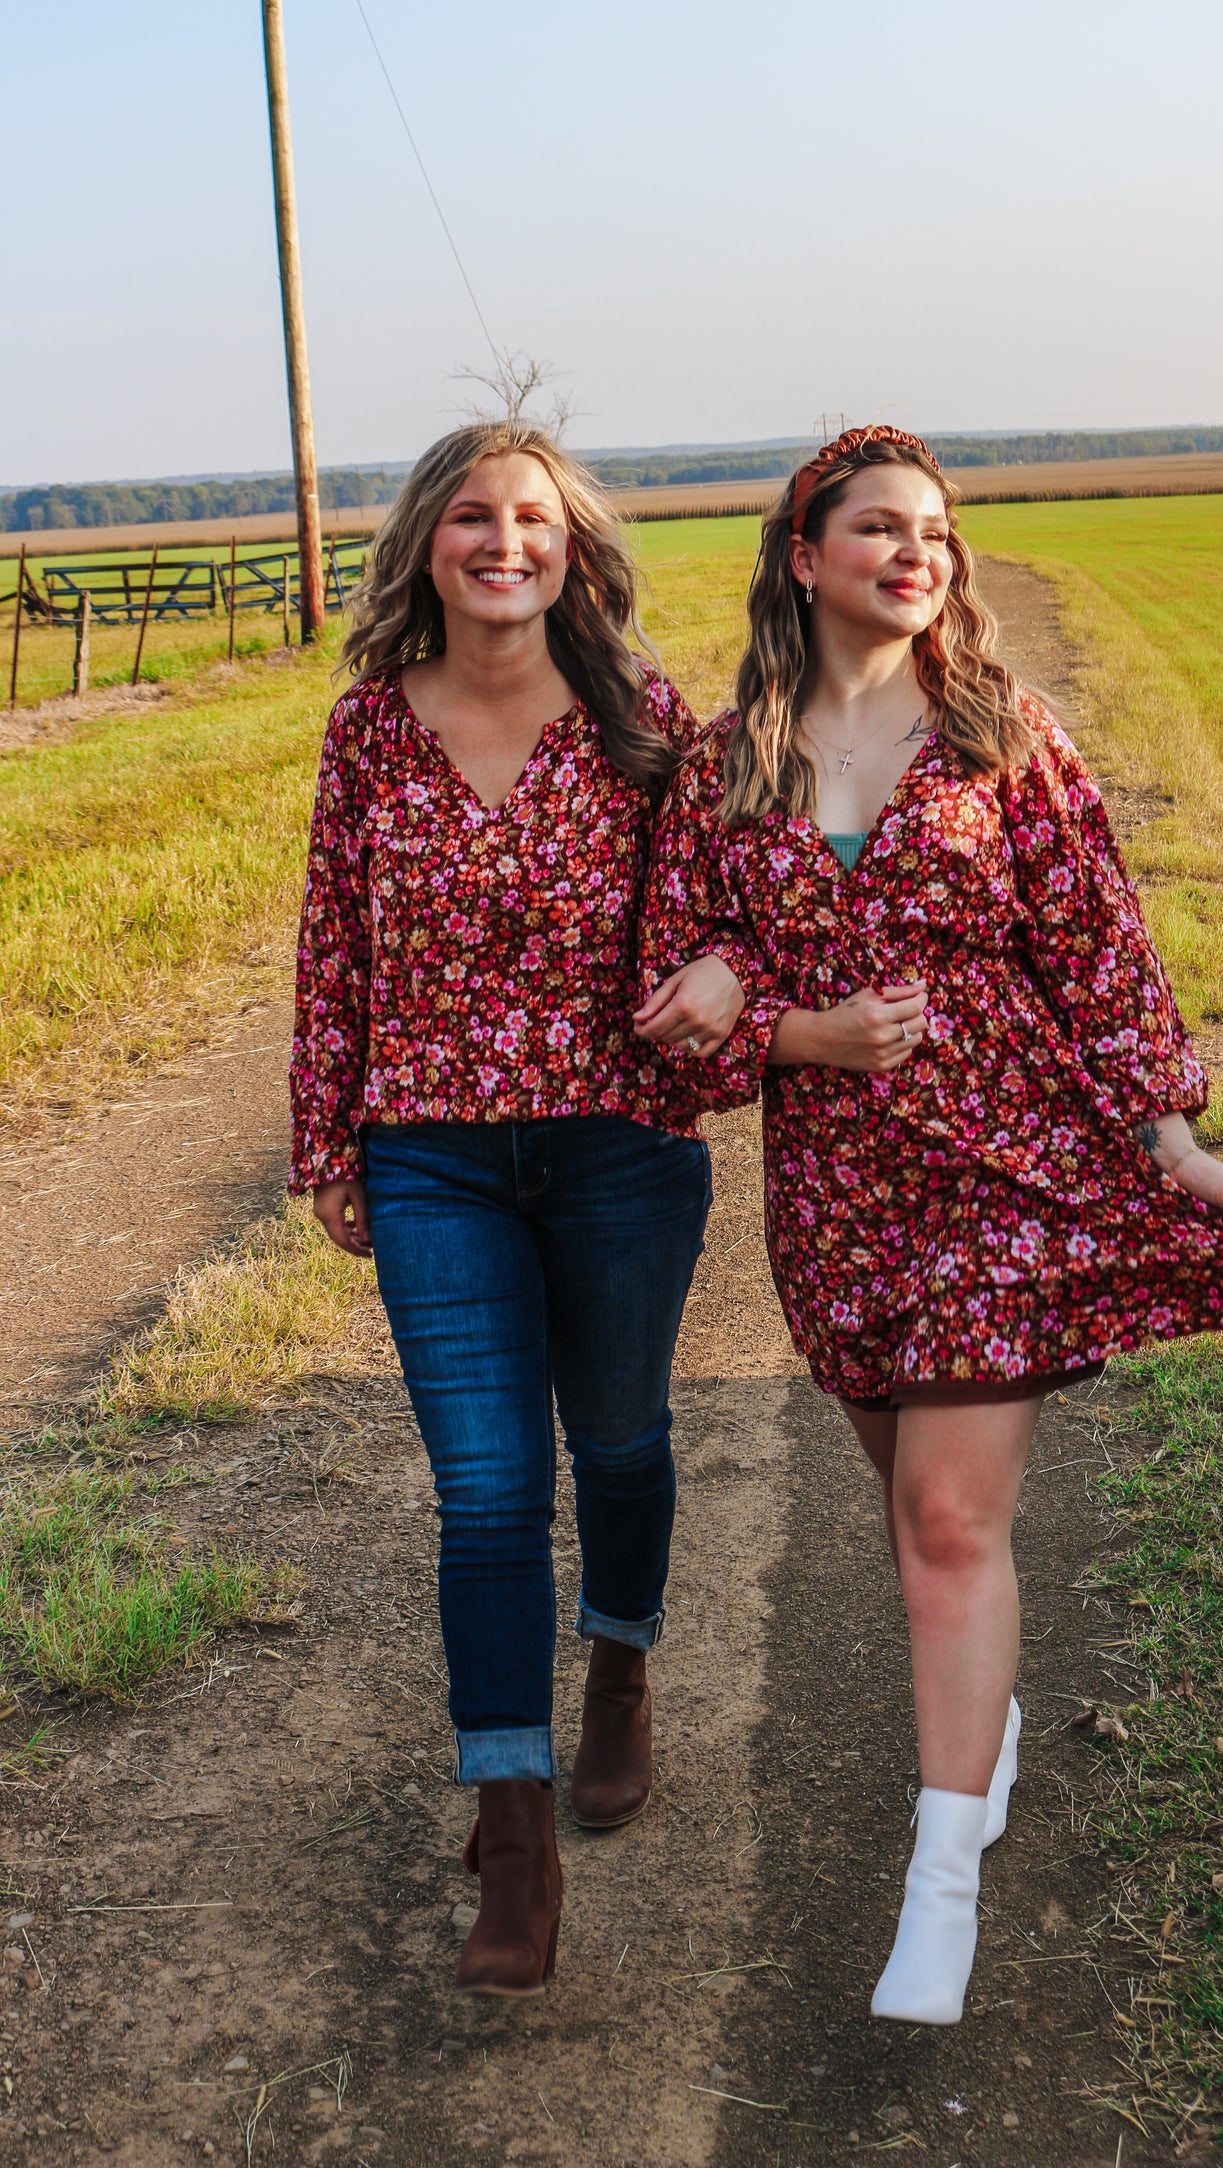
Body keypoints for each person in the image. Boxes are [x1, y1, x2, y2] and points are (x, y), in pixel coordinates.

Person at [638, 424, 1223, 2025]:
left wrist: (1172, 1135)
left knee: (943, 1521)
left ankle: (940, 1887)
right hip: (839, 1196)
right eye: (876, 530)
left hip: (1010, 1170)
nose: (915, 554)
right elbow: (669, 1004)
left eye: (934, 532)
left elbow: (1099, 944)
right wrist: (791, 1030)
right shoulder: (733, 762)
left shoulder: (1006, 737)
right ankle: (974, 1729)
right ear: (803, 557)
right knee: (907, 1492)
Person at [289, 421, 744, 1999]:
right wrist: (327, 1146)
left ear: (571, 546)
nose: (503, 541)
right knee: (486, 1493)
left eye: (531, 519)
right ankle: (516, 1830)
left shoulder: (639, 718)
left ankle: (617, 1669)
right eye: (471, 516)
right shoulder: (367, 734)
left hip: (617, 1142)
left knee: (617, 1442)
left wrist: (729, 972)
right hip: (430, 1157)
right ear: (428, 541)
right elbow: (330, 951)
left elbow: (719, 912)